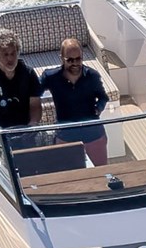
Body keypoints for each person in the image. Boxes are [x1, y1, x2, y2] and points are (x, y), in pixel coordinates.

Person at [41, 37, 110, 165]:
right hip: (66, 135)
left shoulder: (92, 76)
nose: (75, 63)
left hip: (93, 133)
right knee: (68, 173)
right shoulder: (50, 77)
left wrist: (98, 108)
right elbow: (33, 94)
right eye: (70, 60)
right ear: (62, 58)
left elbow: (103, 97)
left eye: (78, 59)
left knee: (101, 172)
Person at [0, 28, 43, 129]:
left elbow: (35, 105)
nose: (10, 59)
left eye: (13, 53)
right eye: (5, 54)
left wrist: (33, 125)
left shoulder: (28, 73)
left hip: (25, 131)